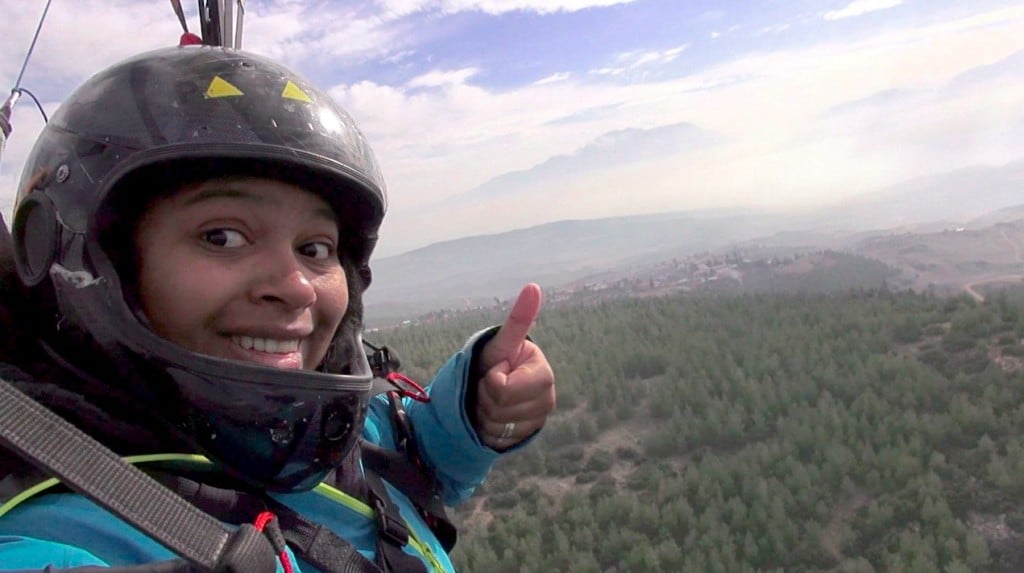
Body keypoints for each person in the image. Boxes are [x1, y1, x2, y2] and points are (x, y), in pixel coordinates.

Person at [0, 44, 555, 573]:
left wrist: (474, 406)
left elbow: (415, 458)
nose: (296, 288)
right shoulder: (59, 535)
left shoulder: (328, 431)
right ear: (88, 263)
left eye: (315, 248)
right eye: (222, 237)